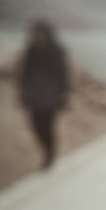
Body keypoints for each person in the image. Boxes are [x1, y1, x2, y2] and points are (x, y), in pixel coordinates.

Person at [18, 20, 69, 169]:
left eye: (40, 33)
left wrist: (64, 94)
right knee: (36, 126)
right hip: (34, 96)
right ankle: (48, 151)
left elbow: (63, 74)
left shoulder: (56, 51)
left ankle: (49, 153)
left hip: (51, 96)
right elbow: (23, 75)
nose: (38, 36)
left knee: (48, 126)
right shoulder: (31, 51)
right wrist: (23, 92)